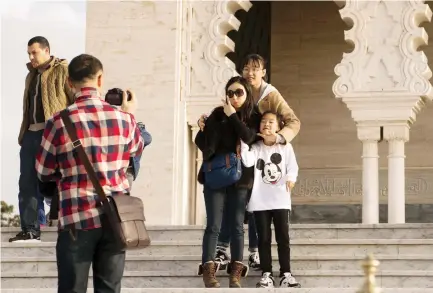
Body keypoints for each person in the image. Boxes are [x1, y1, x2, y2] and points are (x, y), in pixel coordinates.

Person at [35, 53, 144, 293]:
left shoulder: (59, 122)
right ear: (100, 79)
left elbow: (43, 170)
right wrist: (130, 113)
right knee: (109, 288)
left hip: (76, 218)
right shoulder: (124, 120)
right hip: (116, 219)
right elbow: (136, 149)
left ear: (68, 83)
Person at [198, 53, 301, 269]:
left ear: (263, 72)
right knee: (232, 206)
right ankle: (222, 250)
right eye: (246, 68)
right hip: (240, 158)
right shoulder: (238, 90)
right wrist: (206, 125)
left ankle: (253, 252)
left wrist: (278, 138)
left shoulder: (270, 95)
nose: (250, 72)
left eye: (255, 68)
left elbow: (293, 121)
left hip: (261, 157)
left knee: (254, 205)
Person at [195, 76, 261, 288]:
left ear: (247, 94)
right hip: (216, 175)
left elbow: (249, 137)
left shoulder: (252, 115)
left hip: (241, 178)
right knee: (213, 225)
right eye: (230, 93)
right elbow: (205, 146)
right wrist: (202, 129)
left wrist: (233, 116)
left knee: (236, 226)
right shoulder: (217, 114)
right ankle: (208, 271)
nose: (233, 97)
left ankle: (235, 274)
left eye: (239, 92)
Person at [9, 36, 74, 242]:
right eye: (29, 53)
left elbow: (74, 100)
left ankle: (70, 225)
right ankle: (30, 228)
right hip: (31, 133)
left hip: (56, 134)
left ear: (47, 50)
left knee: (62, 180)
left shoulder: (63, 70)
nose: (31, 57)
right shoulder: (31, 75)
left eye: (34, 52)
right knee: (27, 182)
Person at [241, 110, 300, 288]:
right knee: (263, 239)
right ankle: (267, 274)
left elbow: (293, 167)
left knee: (283, 237)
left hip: (281, 199)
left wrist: (291, 179)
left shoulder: (285, 147)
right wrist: (245, 140)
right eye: (264, 121)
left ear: (279, 127)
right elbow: (247, 161)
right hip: (260, 201)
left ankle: (286, 274)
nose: (267, 124)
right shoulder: (256, 148)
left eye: (271, 122)